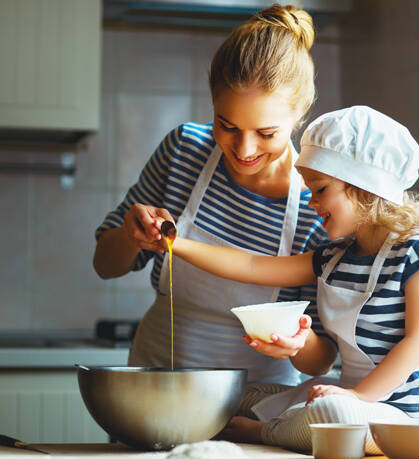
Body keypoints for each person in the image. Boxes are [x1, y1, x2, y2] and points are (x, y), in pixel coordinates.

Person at [165, 105, 419, 454]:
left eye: (320, 190)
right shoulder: (333, 258)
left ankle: (265, 433)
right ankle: (288, 423)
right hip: (348, 398)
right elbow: (254, 266)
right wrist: (174, 242)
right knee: (244, 394)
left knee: (335, 411)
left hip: (403, 417)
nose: (312, 202)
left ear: (363, 186)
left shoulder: (416, 255)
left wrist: (358, 396)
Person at [93, 4, 329, 388]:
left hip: (255, 411)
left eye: (266, 133)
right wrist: (129, 235)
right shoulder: (184, 150)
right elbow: (105, 264)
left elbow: (321, 360)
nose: (244, 148)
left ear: (299, 115)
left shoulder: (315, 203)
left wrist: (296, 342)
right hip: (153, 387)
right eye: (227, 125)